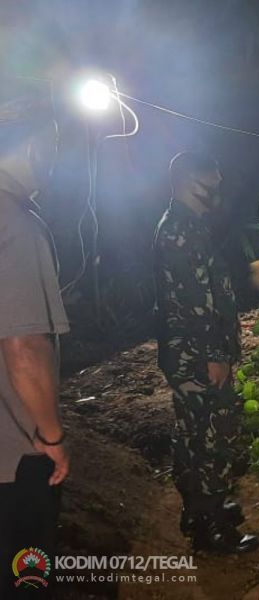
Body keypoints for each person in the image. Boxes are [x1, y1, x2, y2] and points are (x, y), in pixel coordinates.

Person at [153, 152, 259, 554]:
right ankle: (213, 529)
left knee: (194, 433)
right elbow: (197, 302)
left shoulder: (186, 224)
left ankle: (199, 510)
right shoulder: (181, 232)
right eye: (209, 185)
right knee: (213, 438)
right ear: (186, 182)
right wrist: (216, 354)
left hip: (189, 351)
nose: (216, 192)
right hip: (198, 354)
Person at [0, 94, 70, 597]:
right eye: (52, 145)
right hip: (14, 455)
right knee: (26, 575)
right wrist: (51, 436)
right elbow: (24, 345)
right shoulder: (17, 227)